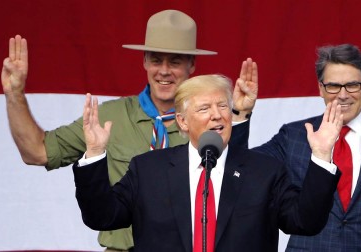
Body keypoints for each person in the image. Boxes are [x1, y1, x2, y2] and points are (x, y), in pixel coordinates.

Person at [0, 10, 256, 252]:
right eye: (156, 60)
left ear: (192, 65)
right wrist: (14, 94)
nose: (164, 70)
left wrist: (239, 116)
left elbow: (236, 183)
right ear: (144, 61)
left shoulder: (209, 120)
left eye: (175, 62)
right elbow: (37, 152)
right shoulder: (110, 116)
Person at [73, 74, 343, 251]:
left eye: (222, 106)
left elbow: (305, 222)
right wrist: (96, 152)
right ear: (182, 121)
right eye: (204, 109)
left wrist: (320, 157)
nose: (217, 116)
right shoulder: (147, 170)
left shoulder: (264, 172)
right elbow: (102, 216)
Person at [242, 44, 361, 251]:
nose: (343, 95)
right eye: (333, 86)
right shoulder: (295, 136)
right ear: (320, 88)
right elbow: (245, 168)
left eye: (352, 85)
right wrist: (240, 116)